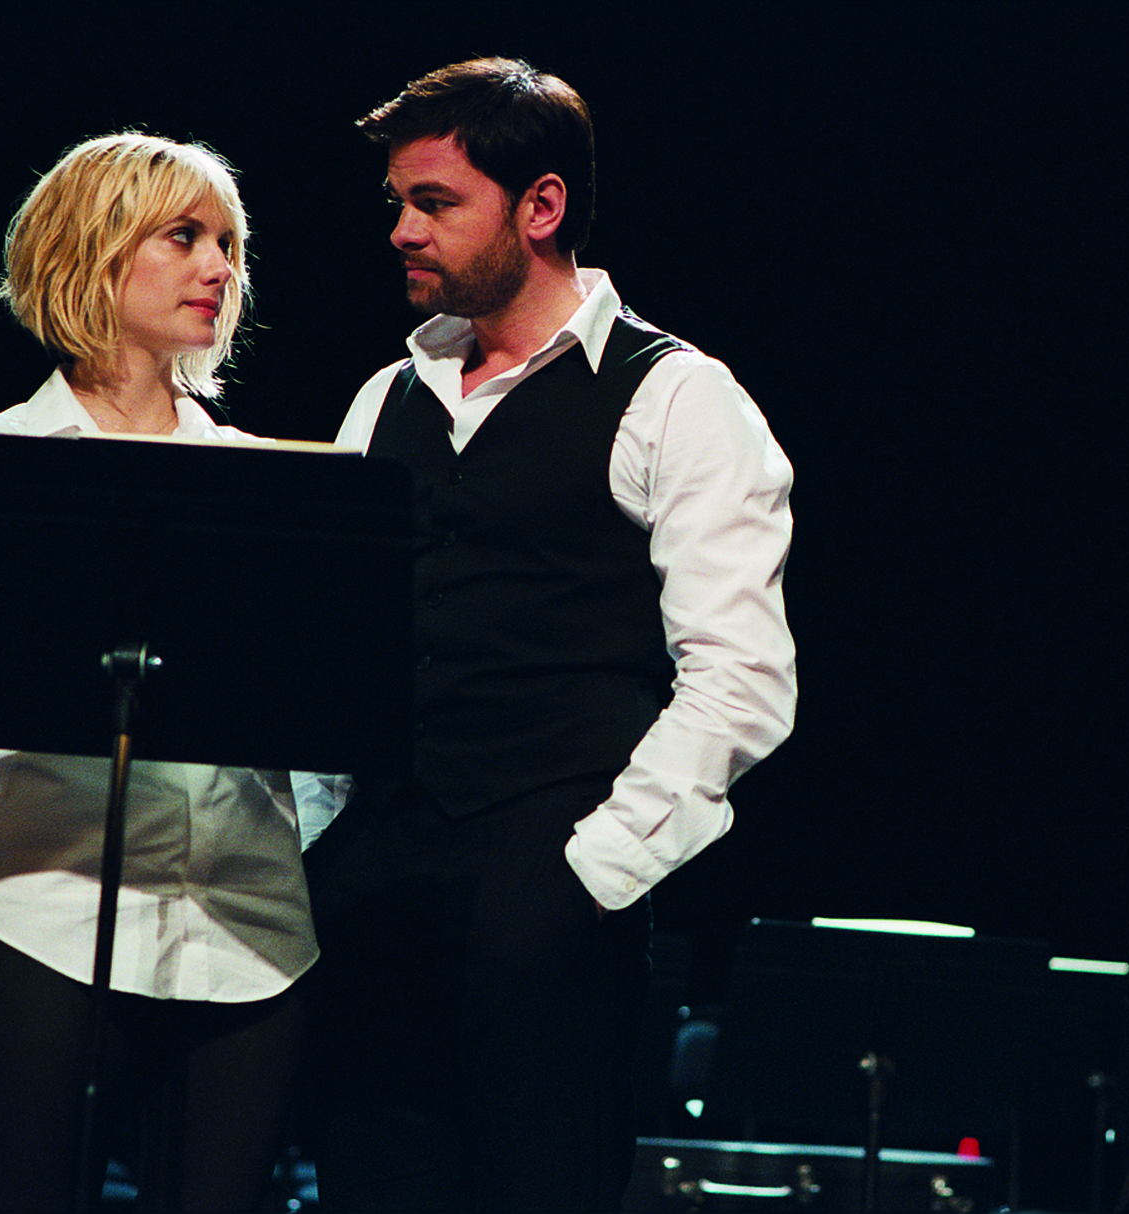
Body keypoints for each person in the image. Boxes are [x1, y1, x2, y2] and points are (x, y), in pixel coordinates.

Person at [303, 58, 796, 1211]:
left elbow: (741, 678)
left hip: (547, 876)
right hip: (373, 891)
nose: (401, 231)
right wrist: (317, 847)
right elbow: (334, 653)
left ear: (540, 206)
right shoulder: (382, 398)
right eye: (397, 202)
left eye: (434, 202)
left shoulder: (676, 395)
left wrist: (592, 872)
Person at [0, 133, 344, 1212]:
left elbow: (333, 713)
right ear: (91, 249)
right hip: (48, 923)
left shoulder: (271, 484)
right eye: (184, 237)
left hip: (251, 943)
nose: (220, 267)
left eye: (228, 244)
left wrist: (279, 834)